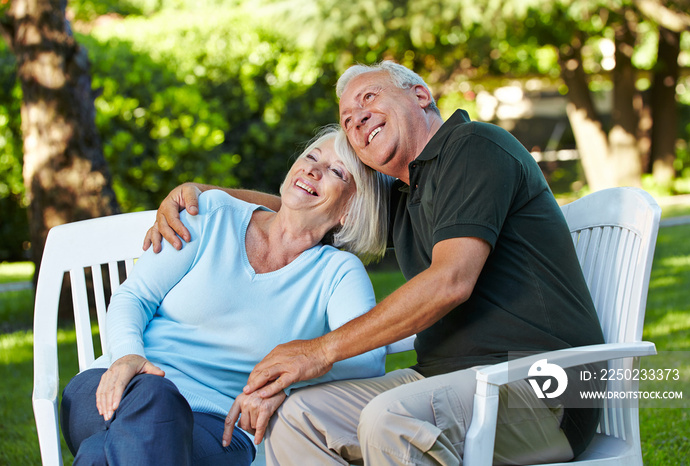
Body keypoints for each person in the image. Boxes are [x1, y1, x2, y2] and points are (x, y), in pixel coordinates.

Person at [147, 61, 605, 465]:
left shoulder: (475, 148)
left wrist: (320, 351)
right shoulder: (408, 195)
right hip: (448, 381)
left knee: (391, 420)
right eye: (346, 119)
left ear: (420, 95)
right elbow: (310, 206)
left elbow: (451, 281)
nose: (356, 117)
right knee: (297, 417)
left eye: (369, 97)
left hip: (544, 388)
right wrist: (206, 194)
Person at [59, 126, 392, 466]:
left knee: (104, 453)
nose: (312, 170)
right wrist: (128, 355)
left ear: (351, 209)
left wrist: (284, 384)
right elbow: (135, 296)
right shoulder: (212, 215)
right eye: (311, 156)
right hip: (119, 385)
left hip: (219, 423)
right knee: (154, 396)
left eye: (337, 172)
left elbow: (367, 357)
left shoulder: (338, 272)